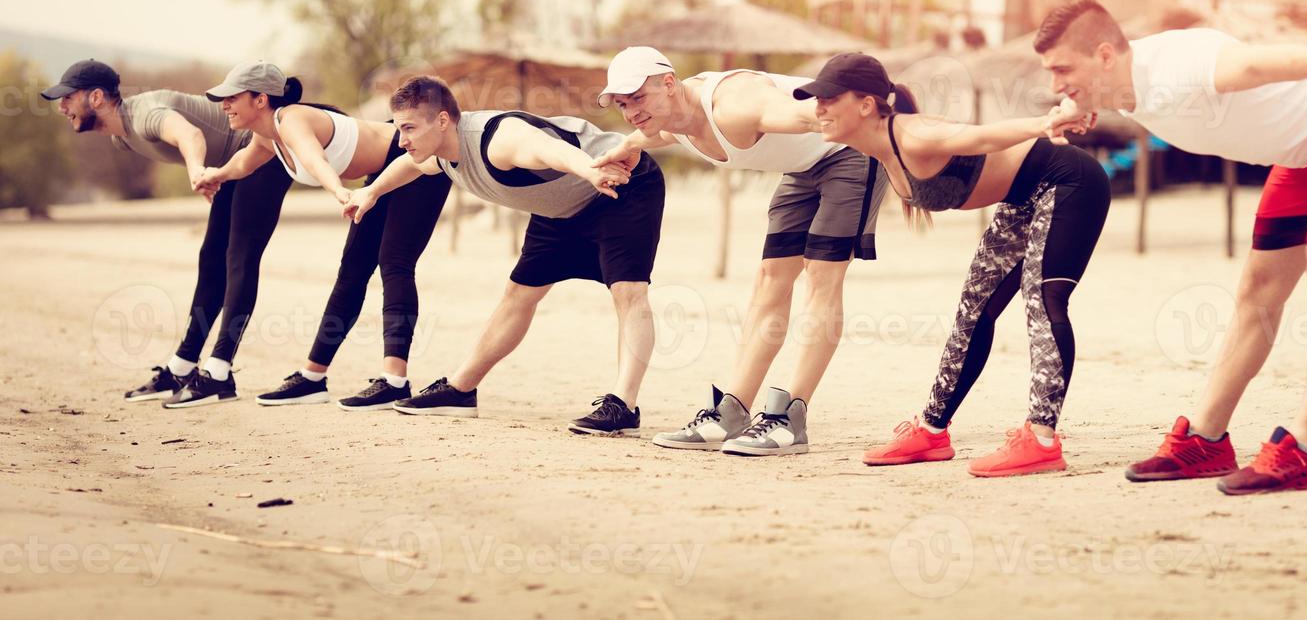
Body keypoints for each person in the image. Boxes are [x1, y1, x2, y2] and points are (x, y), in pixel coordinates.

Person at [1034, 0, 1307, 495]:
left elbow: (1251, 62)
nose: (1055, 83)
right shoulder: (1120, 83)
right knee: (1258, 286)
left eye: (1063, 69)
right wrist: (1077, 106)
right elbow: (1100, 100)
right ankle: (1206, 440)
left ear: (1105, 55)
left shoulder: (1178, 65)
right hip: (1304, 148)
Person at [786, 54, 1107, 476]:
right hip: (1024, 197)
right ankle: (931, 430)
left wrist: (1047, 122)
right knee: (973, 309)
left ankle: (1042, 439)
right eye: (815, 99)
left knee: (1042, 299)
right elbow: (770, 117)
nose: (819, 108)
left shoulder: (915, 135)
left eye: (828, 98)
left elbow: (983, 135)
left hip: (1069, 183)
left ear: (865, 105)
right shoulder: (869, 141)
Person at [592, 47, 889, 457]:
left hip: (849, 152)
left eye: (638, 98)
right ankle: (733, 410)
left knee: (821, 275)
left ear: (669, 83)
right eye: (624, 104)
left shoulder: (736, 105)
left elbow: (811, 117)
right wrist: (628, 145)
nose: (632, 112)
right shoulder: (671, 117)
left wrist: (903, 130)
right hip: (803, 169)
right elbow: (654, 133)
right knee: (771, 278)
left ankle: (791, 418)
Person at [342, 75, 664, 436]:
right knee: (518, 295)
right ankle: (460, 391)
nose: (402, 140)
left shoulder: (498, 139)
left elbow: (548, 150)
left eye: (409, 128)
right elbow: (409, 166)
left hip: (621, 185)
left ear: (443, 121)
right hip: (560, 209)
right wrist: (371, 193)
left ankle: (623, 406)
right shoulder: (440, 154)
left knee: (628, 292)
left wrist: (591, 171)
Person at [193, 61, 450, 410]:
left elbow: (314, 160)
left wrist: (339, 192)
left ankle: (394, 381)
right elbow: (243, 163)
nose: (224, 105)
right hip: (381, 173)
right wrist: (216, 175)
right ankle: (312, 378)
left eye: (232, 97)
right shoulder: (267, 136)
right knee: (352, 272)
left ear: (260, 100)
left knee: (395, 264)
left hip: (413, 160)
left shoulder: (291, 119)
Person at [42, 59, 293, 407]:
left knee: (239, 256)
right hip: (235, 163)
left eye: (67, 98)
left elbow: (190, 134)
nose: (62, 108)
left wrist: (196, 172)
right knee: (212, 258)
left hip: (262, 149)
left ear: (96, 97)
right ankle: (182, 367)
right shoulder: (121, 139)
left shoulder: (143, 115)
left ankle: (219, 371)